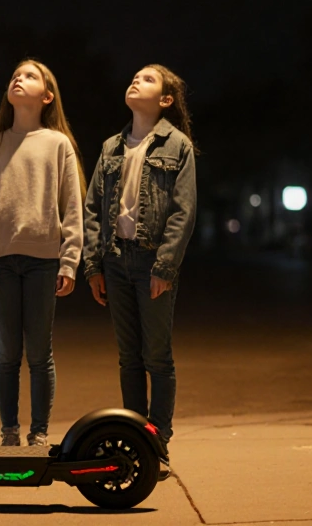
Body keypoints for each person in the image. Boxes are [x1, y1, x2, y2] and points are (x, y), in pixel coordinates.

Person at [82, 64, 198, 476]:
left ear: (165, 99)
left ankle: (158, 440)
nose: (135, 81)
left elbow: (183, 212)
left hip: (152, 262)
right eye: (133, 76)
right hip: (115, 260)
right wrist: (93, 265)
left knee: (157, 357)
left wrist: (165, 265)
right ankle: (135, 437)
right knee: (128, 357)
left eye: (147, 79)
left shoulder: (177, 145)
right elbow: (93, 207)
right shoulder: (111, 145)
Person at [0, 59, 84, 446]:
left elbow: (72, 205)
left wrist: (70, 259)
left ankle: (39, 433)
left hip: (45, 260)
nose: (18, 79)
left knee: (39, 353)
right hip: (0, 261)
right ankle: (9, 431)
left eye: (29, 76)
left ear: (47, 96)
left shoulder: (57, 143)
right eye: (15, 75)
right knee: (7, 353)